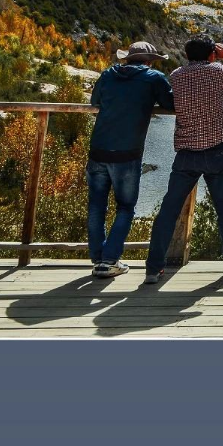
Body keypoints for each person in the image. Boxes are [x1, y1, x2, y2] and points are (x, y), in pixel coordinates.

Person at [144, 35, 223, 284]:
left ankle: (153, 267)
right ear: (211, 54)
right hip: (217, 150)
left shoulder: (176, 75)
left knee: (169, 209)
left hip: (186, 152)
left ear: (187, 55)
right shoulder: (218, 71)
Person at [85, 41, 174, 278]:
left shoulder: (107, 74)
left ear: (127, 59)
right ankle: (109, 260)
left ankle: (98, 259)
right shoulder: (154, 78)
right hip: (127, 154)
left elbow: (95, 102)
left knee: (96, 206)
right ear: (149, 61)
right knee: (125, 207)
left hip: (98, 150)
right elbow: (171, 104)